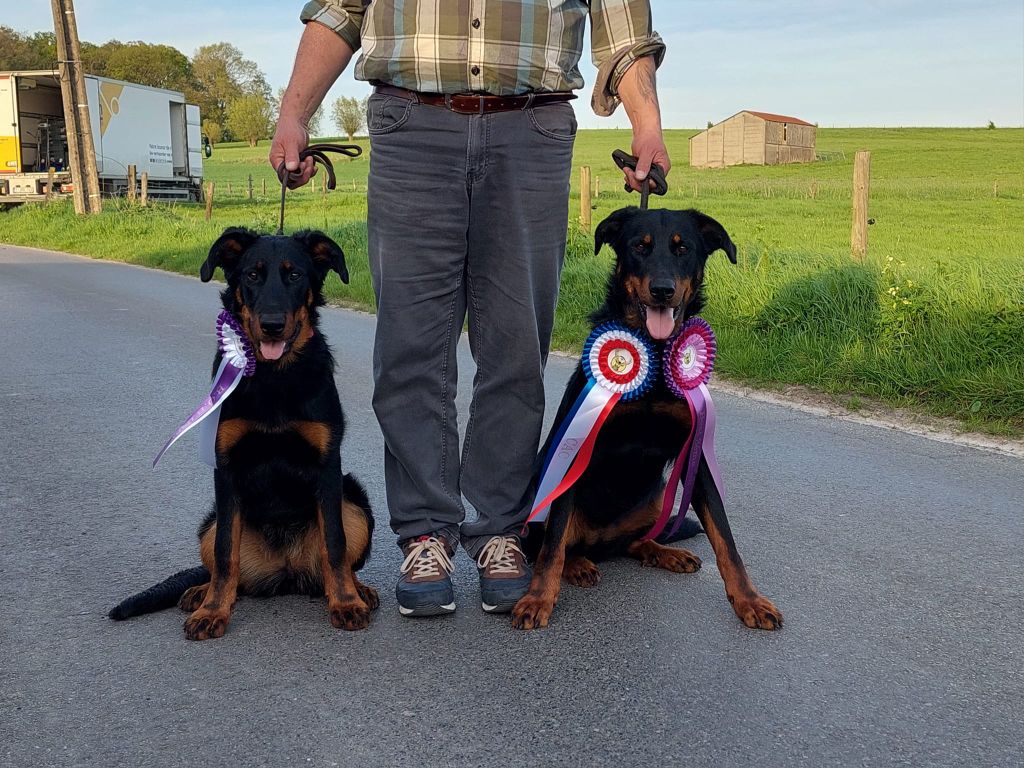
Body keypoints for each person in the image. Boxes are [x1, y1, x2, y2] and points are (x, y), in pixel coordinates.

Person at [271, 0, 670, 618]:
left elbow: (624, 28)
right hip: (412, 125)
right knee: (410, 347)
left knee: (515, 345)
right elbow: (339, 11)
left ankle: (501, 530)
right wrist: (293, 113)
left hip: (531, 130)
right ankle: (426, 534)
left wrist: (648, 122)